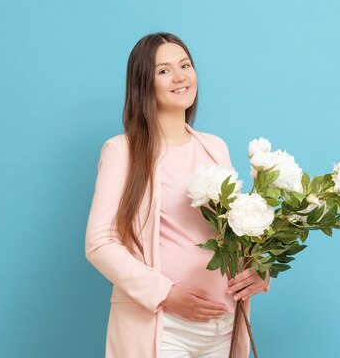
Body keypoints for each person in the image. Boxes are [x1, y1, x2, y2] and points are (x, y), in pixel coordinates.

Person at [85, 32, 271, 358]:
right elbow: (100, 243)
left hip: (223, 324)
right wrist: (165, 293)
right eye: (164, 70)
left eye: (185, 65)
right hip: (163, 325)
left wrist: (260, 271)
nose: (180, 76)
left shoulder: (214, 147)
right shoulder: (122, 152)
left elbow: (235, 233)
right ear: (144, 83)